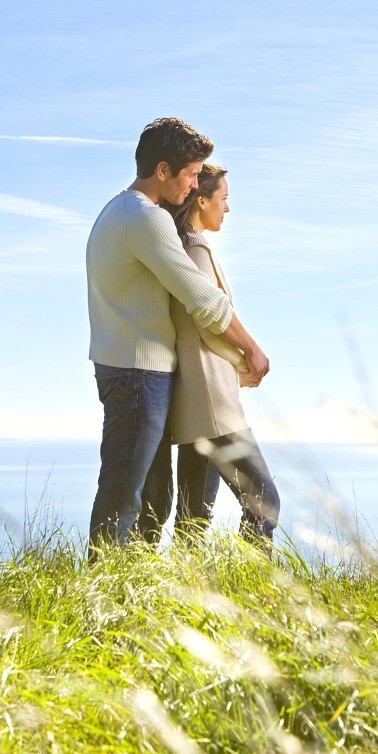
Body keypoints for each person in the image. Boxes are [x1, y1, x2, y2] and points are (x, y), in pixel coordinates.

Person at [85, 118, 269, 557]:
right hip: (137, 374)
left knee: (150, 499)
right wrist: (251, 349)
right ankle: (103, 591)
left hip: (131, 369)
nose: (193, 185)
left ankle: (136, 590)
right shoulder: (144, 218)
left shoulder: (118, 210)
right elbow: (202, 298)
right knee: (126, 495)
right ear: (163, 170)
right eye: (189, 174)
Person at [141, 164, 281, 545]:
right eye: (224, 199)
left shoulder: (182, 247)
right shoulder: (196, 249)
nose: (228, 208)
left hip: (194, 403)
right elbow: (209, 321)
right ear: (201, 201)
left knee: (193, 519)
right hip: (213, 402)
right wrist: (245, 360)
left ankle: (195, 594)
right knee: (264, 501)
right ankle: (252, 590)